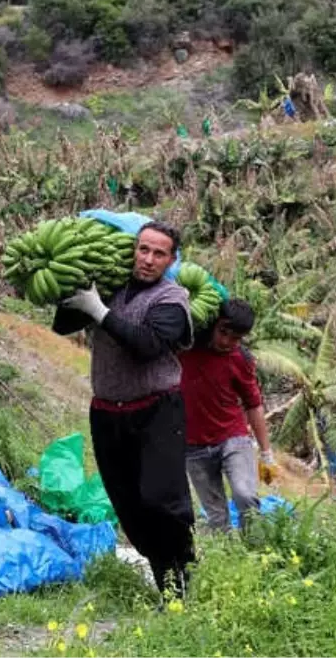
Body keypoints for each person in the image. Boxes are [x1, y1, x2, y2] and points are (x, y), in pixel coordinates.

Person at [52, 221, 195, 599]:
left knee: (161, 499)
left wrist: (99, 312)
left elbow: (147, 343)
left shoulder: (172, 299)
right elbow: (61, 326)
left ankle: (183, 575)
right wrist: (75, 294)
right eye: (143, 249)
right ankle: (163, 575)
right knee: (128, 504)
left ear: (171, 260)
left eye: (158, 253)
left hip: (157, 411)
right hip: (108, 413)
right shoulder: (113, 288)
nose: (148, 259)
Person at [180, 298, 278, 533]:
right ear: (214, 324)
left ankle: (255, 550)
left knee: (245, 496)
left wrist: (266, 454)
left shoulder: (241, 359)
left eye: (235, 338)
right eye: (223, 332)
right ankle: (230, 560)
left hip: (232, 438)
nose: (226, 342)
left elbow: (253, 405)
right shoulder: (186, 345)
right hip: (193, 446)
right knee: (216, 518)